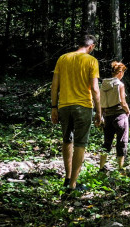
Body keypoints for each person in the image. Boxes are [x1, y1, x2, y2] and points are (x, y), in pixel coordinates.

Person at [50, 34, 102, 192]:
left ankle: (67, 178)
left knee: (67, 141)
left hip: (64, 106)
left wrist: (53, 107)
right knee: (80, 144)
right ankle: (73, 184)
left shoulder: (63, 58)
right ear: (91, 47)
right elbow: (94, 89)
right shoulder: (91, 61)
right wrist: (99, 112)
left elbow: (54, 86)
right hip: (83, 106)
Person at [99, 61, 130, 172]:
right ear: (120, 72)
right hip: (120, 115)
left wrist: (100, 115)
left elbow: (100, 102)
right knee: (122, 141)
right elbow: (122, 101)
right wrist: (127, 110)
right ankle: (120, 168)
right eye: (123, 72)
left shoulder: (103, 85)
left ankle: (101, 167)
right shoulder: (120, 84)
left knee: (107, 142)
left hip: (107, 116)